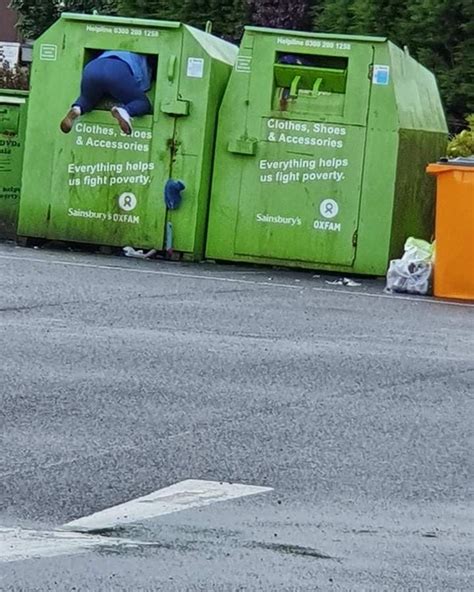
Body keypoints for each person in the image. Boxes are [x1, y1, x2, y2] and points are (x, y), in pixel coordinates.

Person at [60, 50, 152, 136]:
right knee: (142, 102)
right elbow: (144, 85)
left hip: (92, 67)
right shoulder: (141, 57)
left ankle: (77, 109)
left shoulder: (110, 51)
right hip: (117, 71)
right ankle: (125, 111)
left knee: (86, 99)